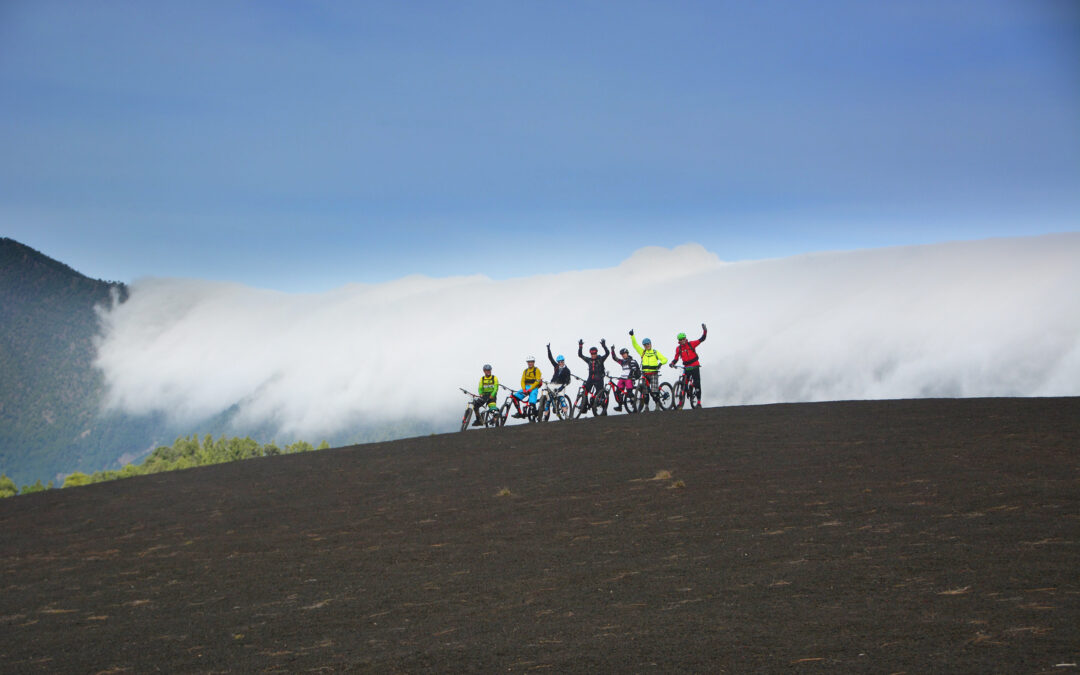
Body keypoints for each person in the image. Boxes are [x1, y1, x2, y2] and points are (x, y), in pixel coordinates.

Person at [630, 329, 668, 410]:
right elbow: (635, 345)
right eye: (645, 345)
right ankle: (646, 407)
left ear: (650, 344)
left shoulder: (655, 352)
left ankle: (657, 404)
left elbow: (665, 359)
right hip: (645, 374)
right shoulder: (642, 352)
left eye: (648, 344)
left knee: (654, 392)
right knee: (645, 392)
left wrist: (660, 363)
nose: (647, 345)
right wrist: (632, 336)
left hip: (654, 373)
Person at [669, 323, 707, 402]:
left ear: (685, 338)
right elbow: (676, 358)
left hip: (695, 366)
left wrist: (705, 330)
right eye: (680, 339)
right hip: (686, 367)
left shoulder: (691, 344)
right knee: (684, 384)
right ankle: (681, 400)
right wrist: (672, 363)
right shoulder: (678, 348)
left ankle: (699, 401)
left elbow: (702, 339)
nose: (682, 340)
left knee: (697, 384)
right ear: (679, 341)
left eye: (683, 339)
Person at [577, 339, 610, 415]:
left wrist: (604, 346)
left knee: (599, 396)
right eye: (592, 354)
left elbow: (607, 353)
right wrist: (580, 346)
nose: (593, 355)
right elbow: (580, 355)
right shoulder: (589, 360)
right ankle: (584, 407)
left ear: (596, 353)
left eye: (594, 353)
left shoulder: (601, 359)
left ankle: (603, 410)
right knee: (584, 391)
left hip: (599, 379)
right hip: (591, 379)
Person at [609, 346, 640, 411]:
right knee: (617, 392)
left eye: (624, 354)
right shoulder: (622, 361)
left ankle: (634, 404)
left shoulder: (632, 361)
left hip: (629, 378)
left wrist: (632, 377)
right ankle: (620, 406)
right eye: (622, 354)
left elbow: (634, 369)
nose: (623, 355)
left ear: (627, 353)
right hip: (622, 378)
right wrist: (612, 351)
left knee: (629, 393)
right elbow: (615, 358)